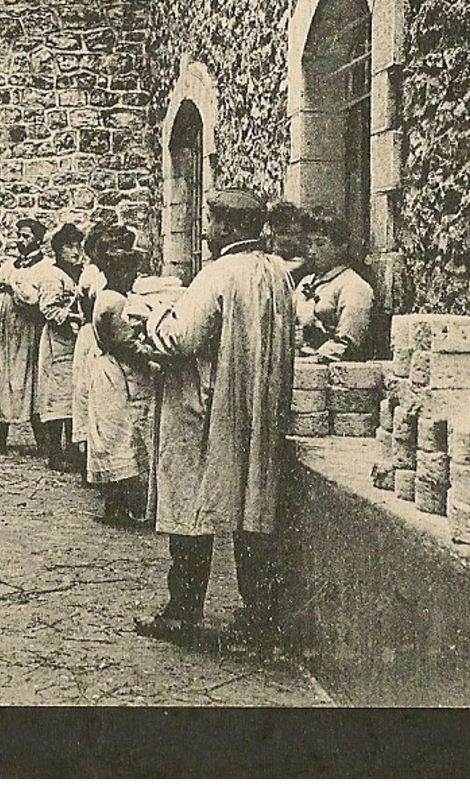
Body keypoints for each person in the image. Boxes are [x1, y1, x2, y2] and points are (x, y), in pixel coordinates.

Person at [136, 188, 296, 649]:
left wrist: (154, 319)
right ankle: (258, 616)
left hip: (206, 410)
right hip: (259, 410)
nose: (206, 232)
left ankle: (182, 612)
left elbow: (182, 339)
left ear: (227, 228)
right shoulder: (277, 273)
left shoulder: (218, 274)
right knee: (253, 507)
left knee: (192, 505)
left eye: (211, 223)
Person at [87, 225, 160, 526]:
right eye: (129, 272)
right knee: (122, 437)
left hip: (107, 368)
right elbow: (125, 344)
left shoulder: (108, 296)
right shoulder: (114, 301)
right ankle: (123, 506)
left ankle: (116, 504)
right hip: (115, 373)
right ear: (117, 272)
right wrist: (153, 353)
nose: (132, 278)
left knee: (114, 436)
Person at [15, 222, 87, 470]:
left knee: (74, 396)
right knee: (58, 398)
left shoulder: (80, 273)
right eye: (69, 247)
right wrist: (75, 318)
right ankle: (55, 454)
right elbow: (48, 308)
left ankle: (74, 450)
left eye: (78, 246)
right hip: (58, 343)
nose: (76, 252)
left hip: (75, 344)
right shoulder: (52, 276)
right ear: (58, 250)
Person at [0, 217, 47, 453]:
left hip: (27, 330)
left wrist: (14, 290)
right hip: (3, 330)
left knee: (29, 381)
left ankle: (45, 440)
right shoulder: (8, 266)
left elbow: (38, 302)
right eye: (19, 236)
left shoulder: (44, 269)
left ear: (38, 240)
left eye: (26, 236)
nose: (20, 241)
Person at [295, 211, 376, 362]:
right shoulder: (306, 282)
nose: (312, 251)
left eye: (320, 244)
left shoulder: (354, 286)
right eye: (309, 244)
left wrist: (309, 361)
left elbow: (347, 345)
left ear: (341, 246)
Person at [70, 221, 113, 480]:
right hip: (91, 334)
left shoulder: (102, 272)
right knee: (86, 392)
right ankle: (86, 457)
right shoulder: (92, 274)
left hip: (97, 332)